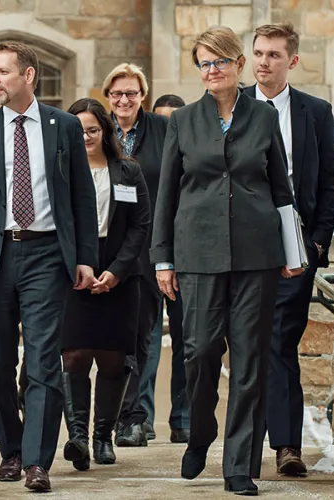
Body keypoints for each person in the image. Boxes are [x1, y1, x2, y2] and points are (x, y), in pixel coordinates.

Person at [150, 26, 301, 496]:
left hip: (257, 254)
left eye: (219, 62)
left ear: (239, 64)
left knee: (251, 360)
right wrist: (162, 260)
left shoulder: (263, 117)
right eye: (203, 63)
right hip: (196, 252)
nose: (211, 71)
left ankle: (240, 464)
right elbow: (167, 195)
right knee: (198, 351)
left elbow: (281, 189)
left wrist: (293, 251)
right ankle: (201, 433)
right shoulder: (184, 121)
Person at [0, 41, 98, 492]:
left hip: (47, 255)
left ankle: (37, 460)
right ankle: (11, 451)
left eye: (1, 72)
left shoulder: (64, 126)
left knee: (42, 362)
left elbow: (81, 198)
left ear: (28, 76)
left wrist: (86, 257)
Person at [247, 21, 334, 477]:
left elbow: (330, 184)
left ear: (292, 61)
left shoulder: (315, 112)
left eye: (273, 55)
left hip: (293, 250)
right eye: (259, 53)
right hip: (239, 251)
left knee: (281, 343)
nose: (263, 62)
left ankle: (286, 446)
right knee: (245, 345)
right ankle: (240, 444)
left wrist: (317, 242)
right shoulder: (230, 106)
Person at [60, 98, 150, 472]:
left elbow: (140, 225)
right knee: (76, 355)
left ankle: (102, 437)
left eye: (93, 130)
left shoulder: (127, 171)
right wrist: (74, 266)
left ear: (106, 131)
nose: (86, 138)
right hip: (73, 273)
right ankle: (78, 436)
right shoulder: (60, 171)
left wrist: (116, 272)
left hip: (120, 274)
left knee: (113, 359)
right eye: (78, 131)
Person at [101, 62, 168, 448]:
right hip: (106, 250)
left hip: (147, 249)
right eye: (116, 94)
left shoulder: (163, 129)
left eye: (131, 93)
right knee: (109, 340)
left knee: (142, 338)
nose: (124, 100)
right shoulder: (99, 130)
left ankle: (133, 418)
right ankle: (113, 417)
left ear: (142, 95)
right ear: (107, 97)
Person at [138, 93, 189, 444]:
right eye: (161, 120)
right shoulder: (145, 156)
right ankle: (141, 417)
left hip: (185, 254)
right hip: (145, 256)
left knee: (187, 341)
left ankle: (182, 419)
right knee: (146, 340)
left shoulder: (192, 155)